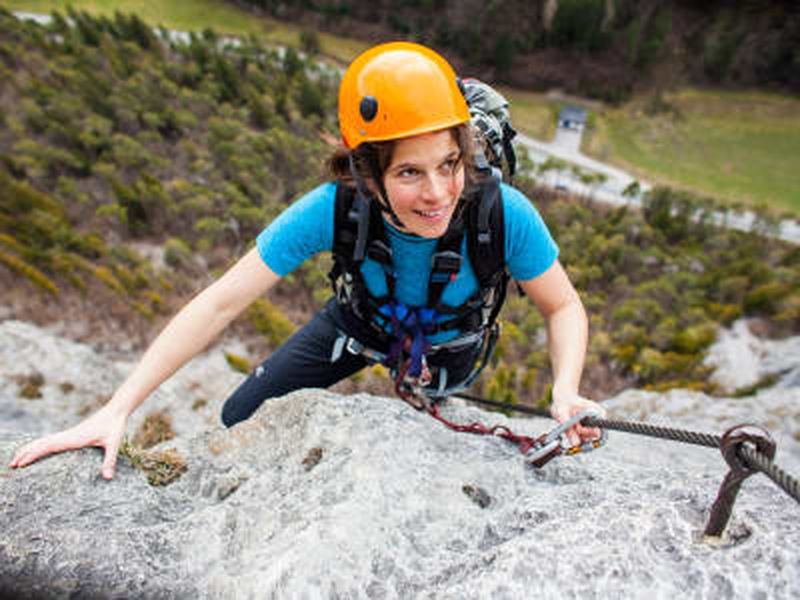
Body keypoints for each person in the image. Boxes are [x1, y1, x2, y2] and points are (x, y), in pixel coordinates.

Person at [10, 41, 604, 480]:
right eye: (409, 173)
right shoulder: (335, 208)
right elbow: (221, 302)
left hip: (449, 349)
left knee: (431, 426)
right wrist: (117, 409)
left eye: (449, 164)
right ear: (366, 172)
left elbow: (563, 306)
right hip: (358, 324)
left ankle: (425, 390)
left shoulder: (502, 212)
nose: (439, 193)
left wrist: (565, 389)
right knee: (238, 416)